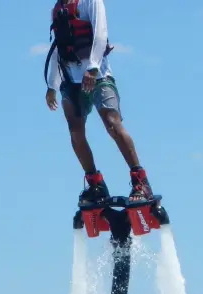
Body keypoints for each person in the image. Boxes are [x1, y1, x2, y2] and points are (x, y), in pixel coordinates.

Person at [44, 0, 154, 207]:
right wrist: (51, 84)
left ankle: (140, 180)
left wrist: (93, 67)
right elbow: (57, 46)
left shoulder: (90, 2)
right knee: (75, 132)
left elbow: (100, 33)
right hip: (70, 79)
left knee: (112, 124)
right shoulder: (57, 8)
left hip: (99, 75)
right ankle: (95, 183)